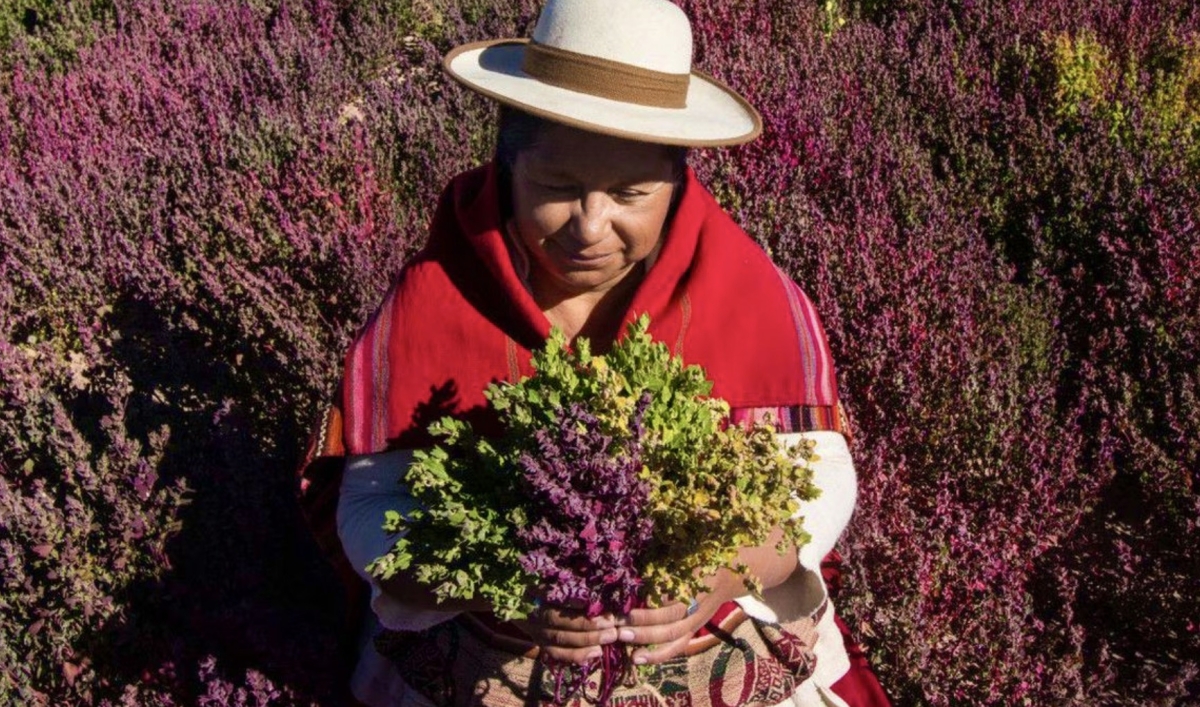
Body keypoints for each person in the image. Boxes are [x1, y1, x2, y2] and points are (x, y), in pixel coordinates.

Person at [298, 0, 892, 704]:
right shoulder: (435, 300)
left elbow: (818, 484)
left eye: (631, 194)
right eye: (556, 188)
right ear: (505, 167)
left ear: (678, 185)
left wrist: (721, 573)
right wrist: (510, 585)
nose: (590, 226)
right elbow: (370, 508)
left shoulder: (744, 289)